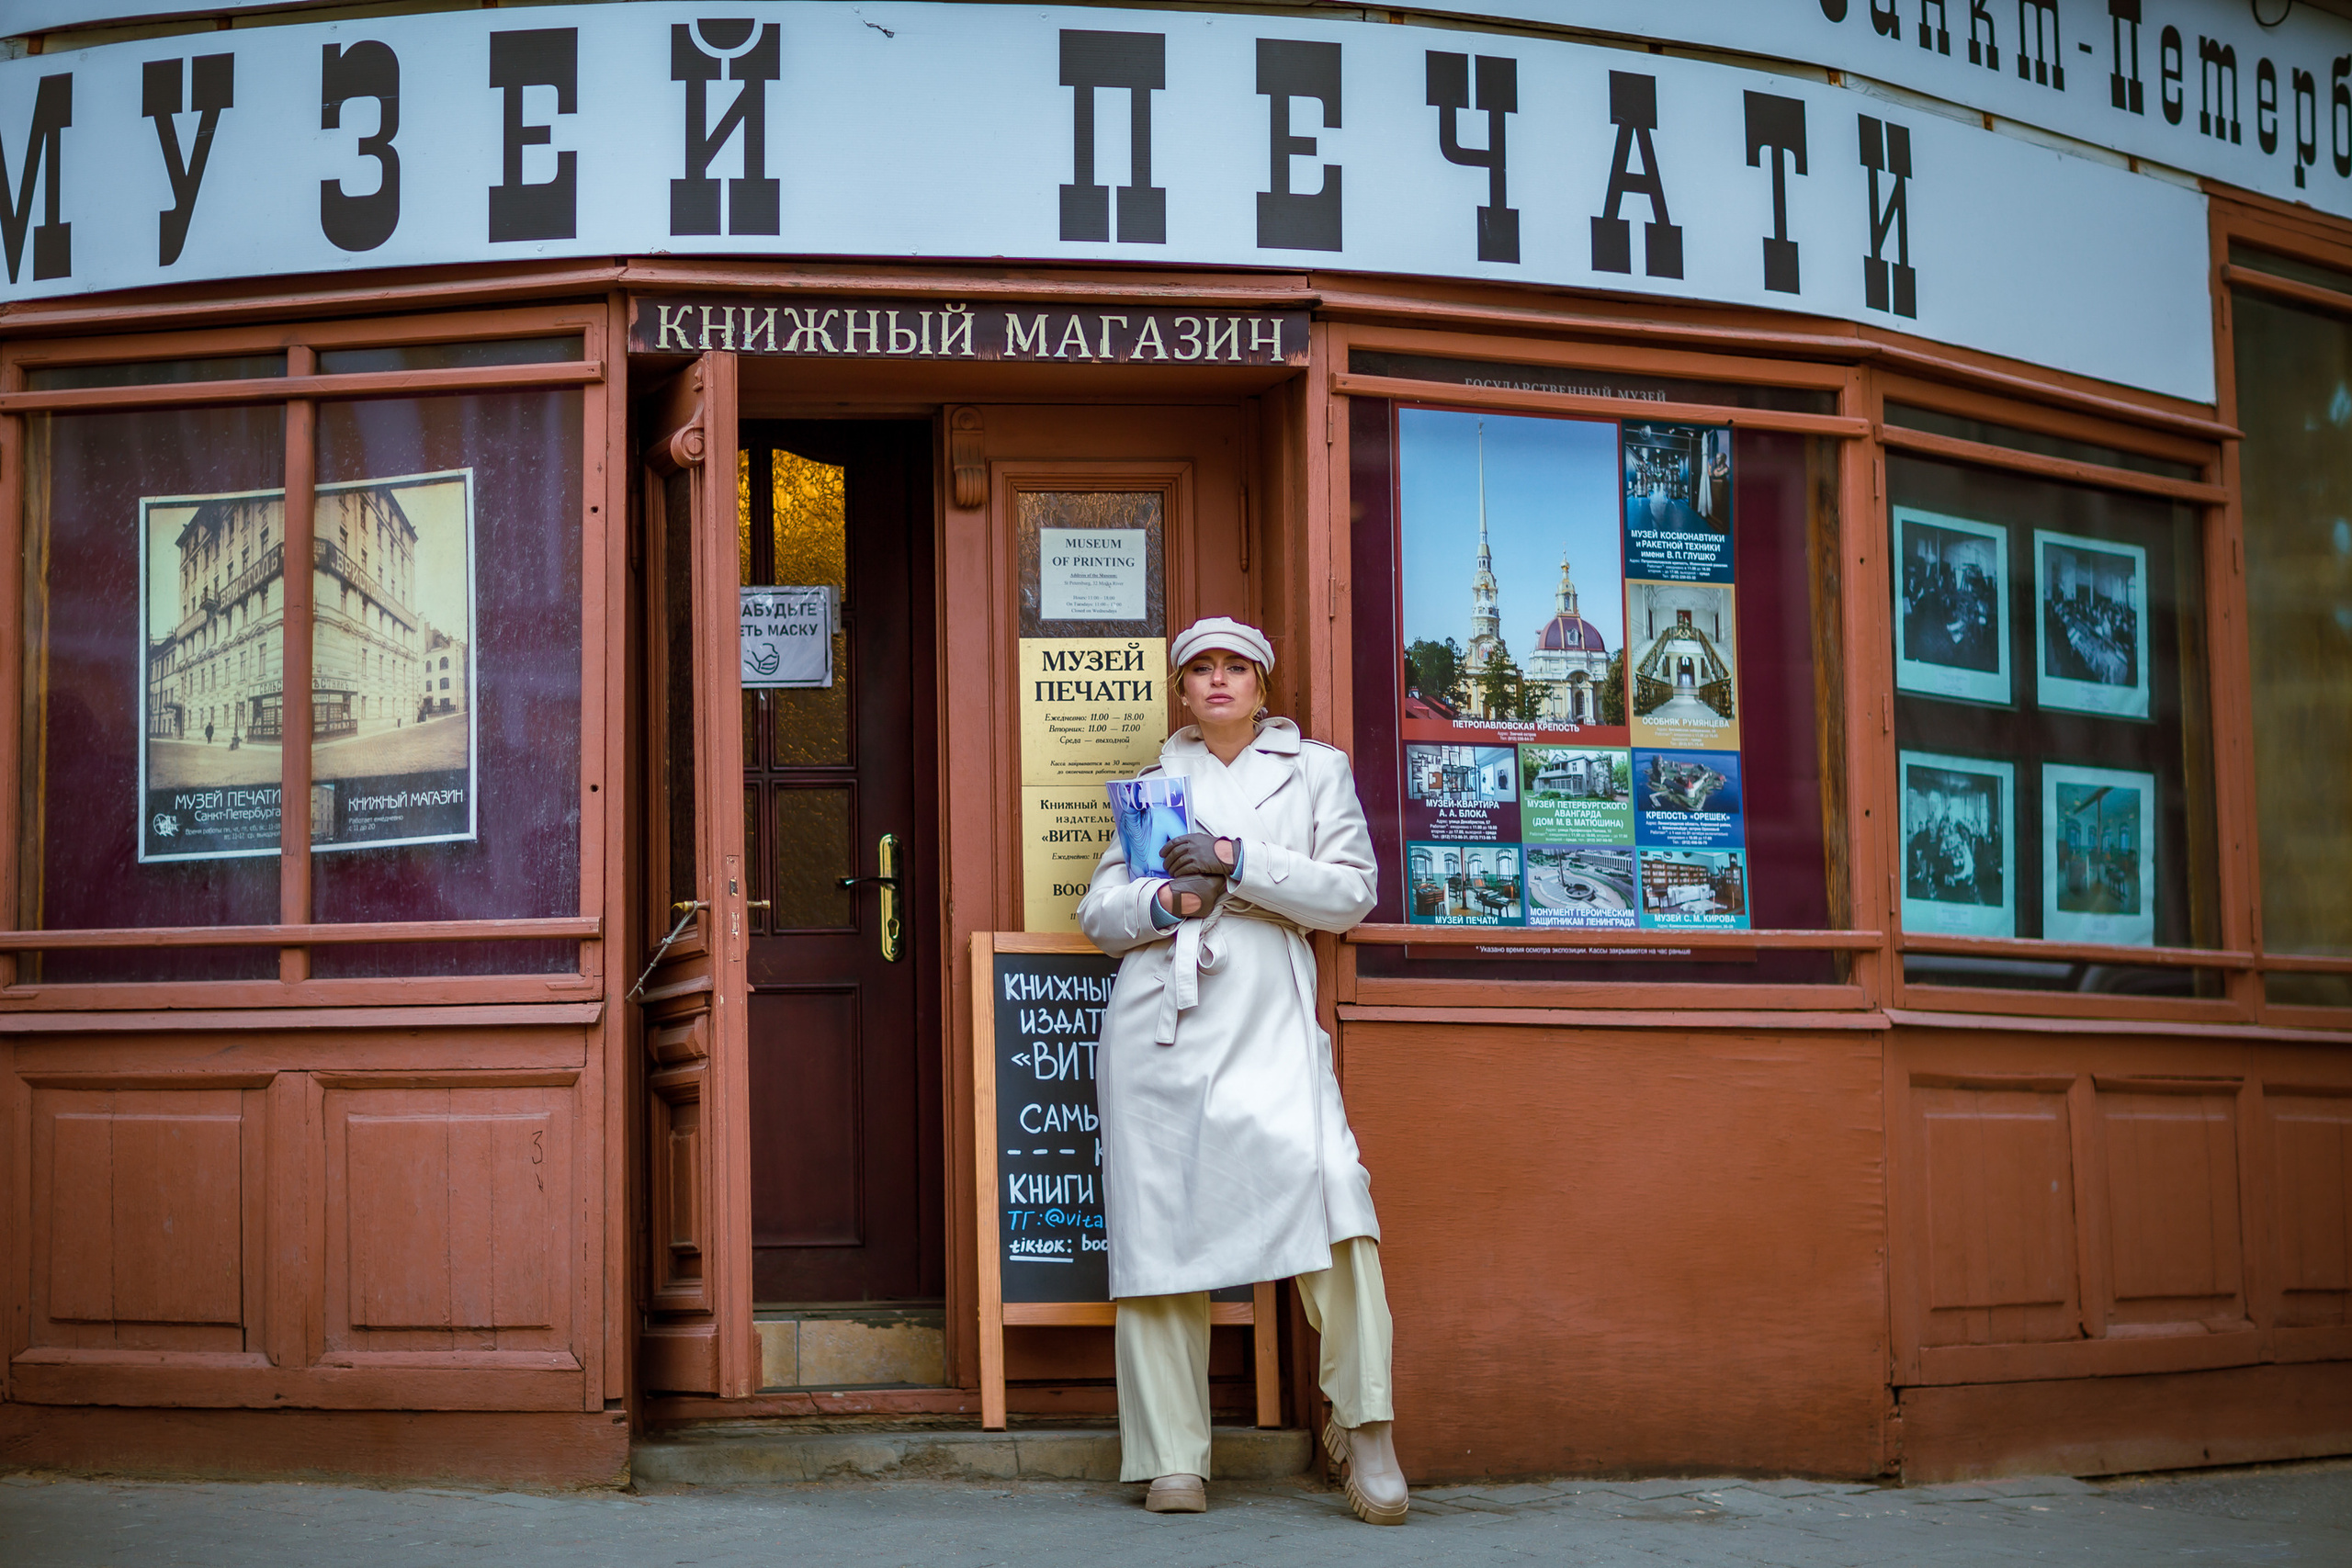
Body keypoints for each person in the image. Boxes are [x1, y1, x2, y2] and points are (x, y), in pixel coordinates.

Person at [1077, 616, 1408, 1526]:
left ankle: (1367, 1427)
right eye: (1200, 670)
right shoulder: (1152, 785)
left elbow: (1350, 892)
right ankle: (1171, 1455)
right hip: (1161, 1030)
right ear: (1181, 690)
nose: (1218, 682)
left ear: (1262, 686)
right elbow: (1099, 913)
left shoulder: (1315, 771)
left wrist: (1236, 861)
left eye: (1236, 668)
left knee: (1333, 1194)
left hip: (1267, 1022)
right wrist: (1165, 898)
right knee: (1160, 1228)